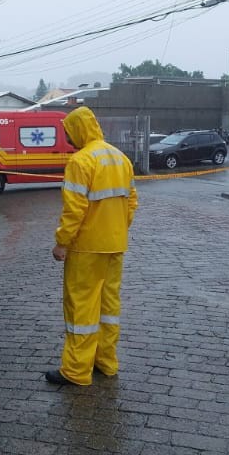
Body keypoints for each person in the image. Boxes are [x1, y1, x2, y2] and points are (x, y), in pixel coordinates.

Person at [46, 106, 138, 387]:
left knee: (82, 309)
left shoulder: (80, 161)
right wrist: (116, 230)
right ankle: (106, 362)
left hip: (86, 248)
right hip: (115, 245)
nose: (68, 138)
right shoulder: (121, 158)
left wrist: (62, 243)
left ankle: (76, 371)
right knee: (109, 307)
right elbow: (131, 202)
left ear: (77, 130)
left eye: (68, 132)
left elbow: (74, 210)